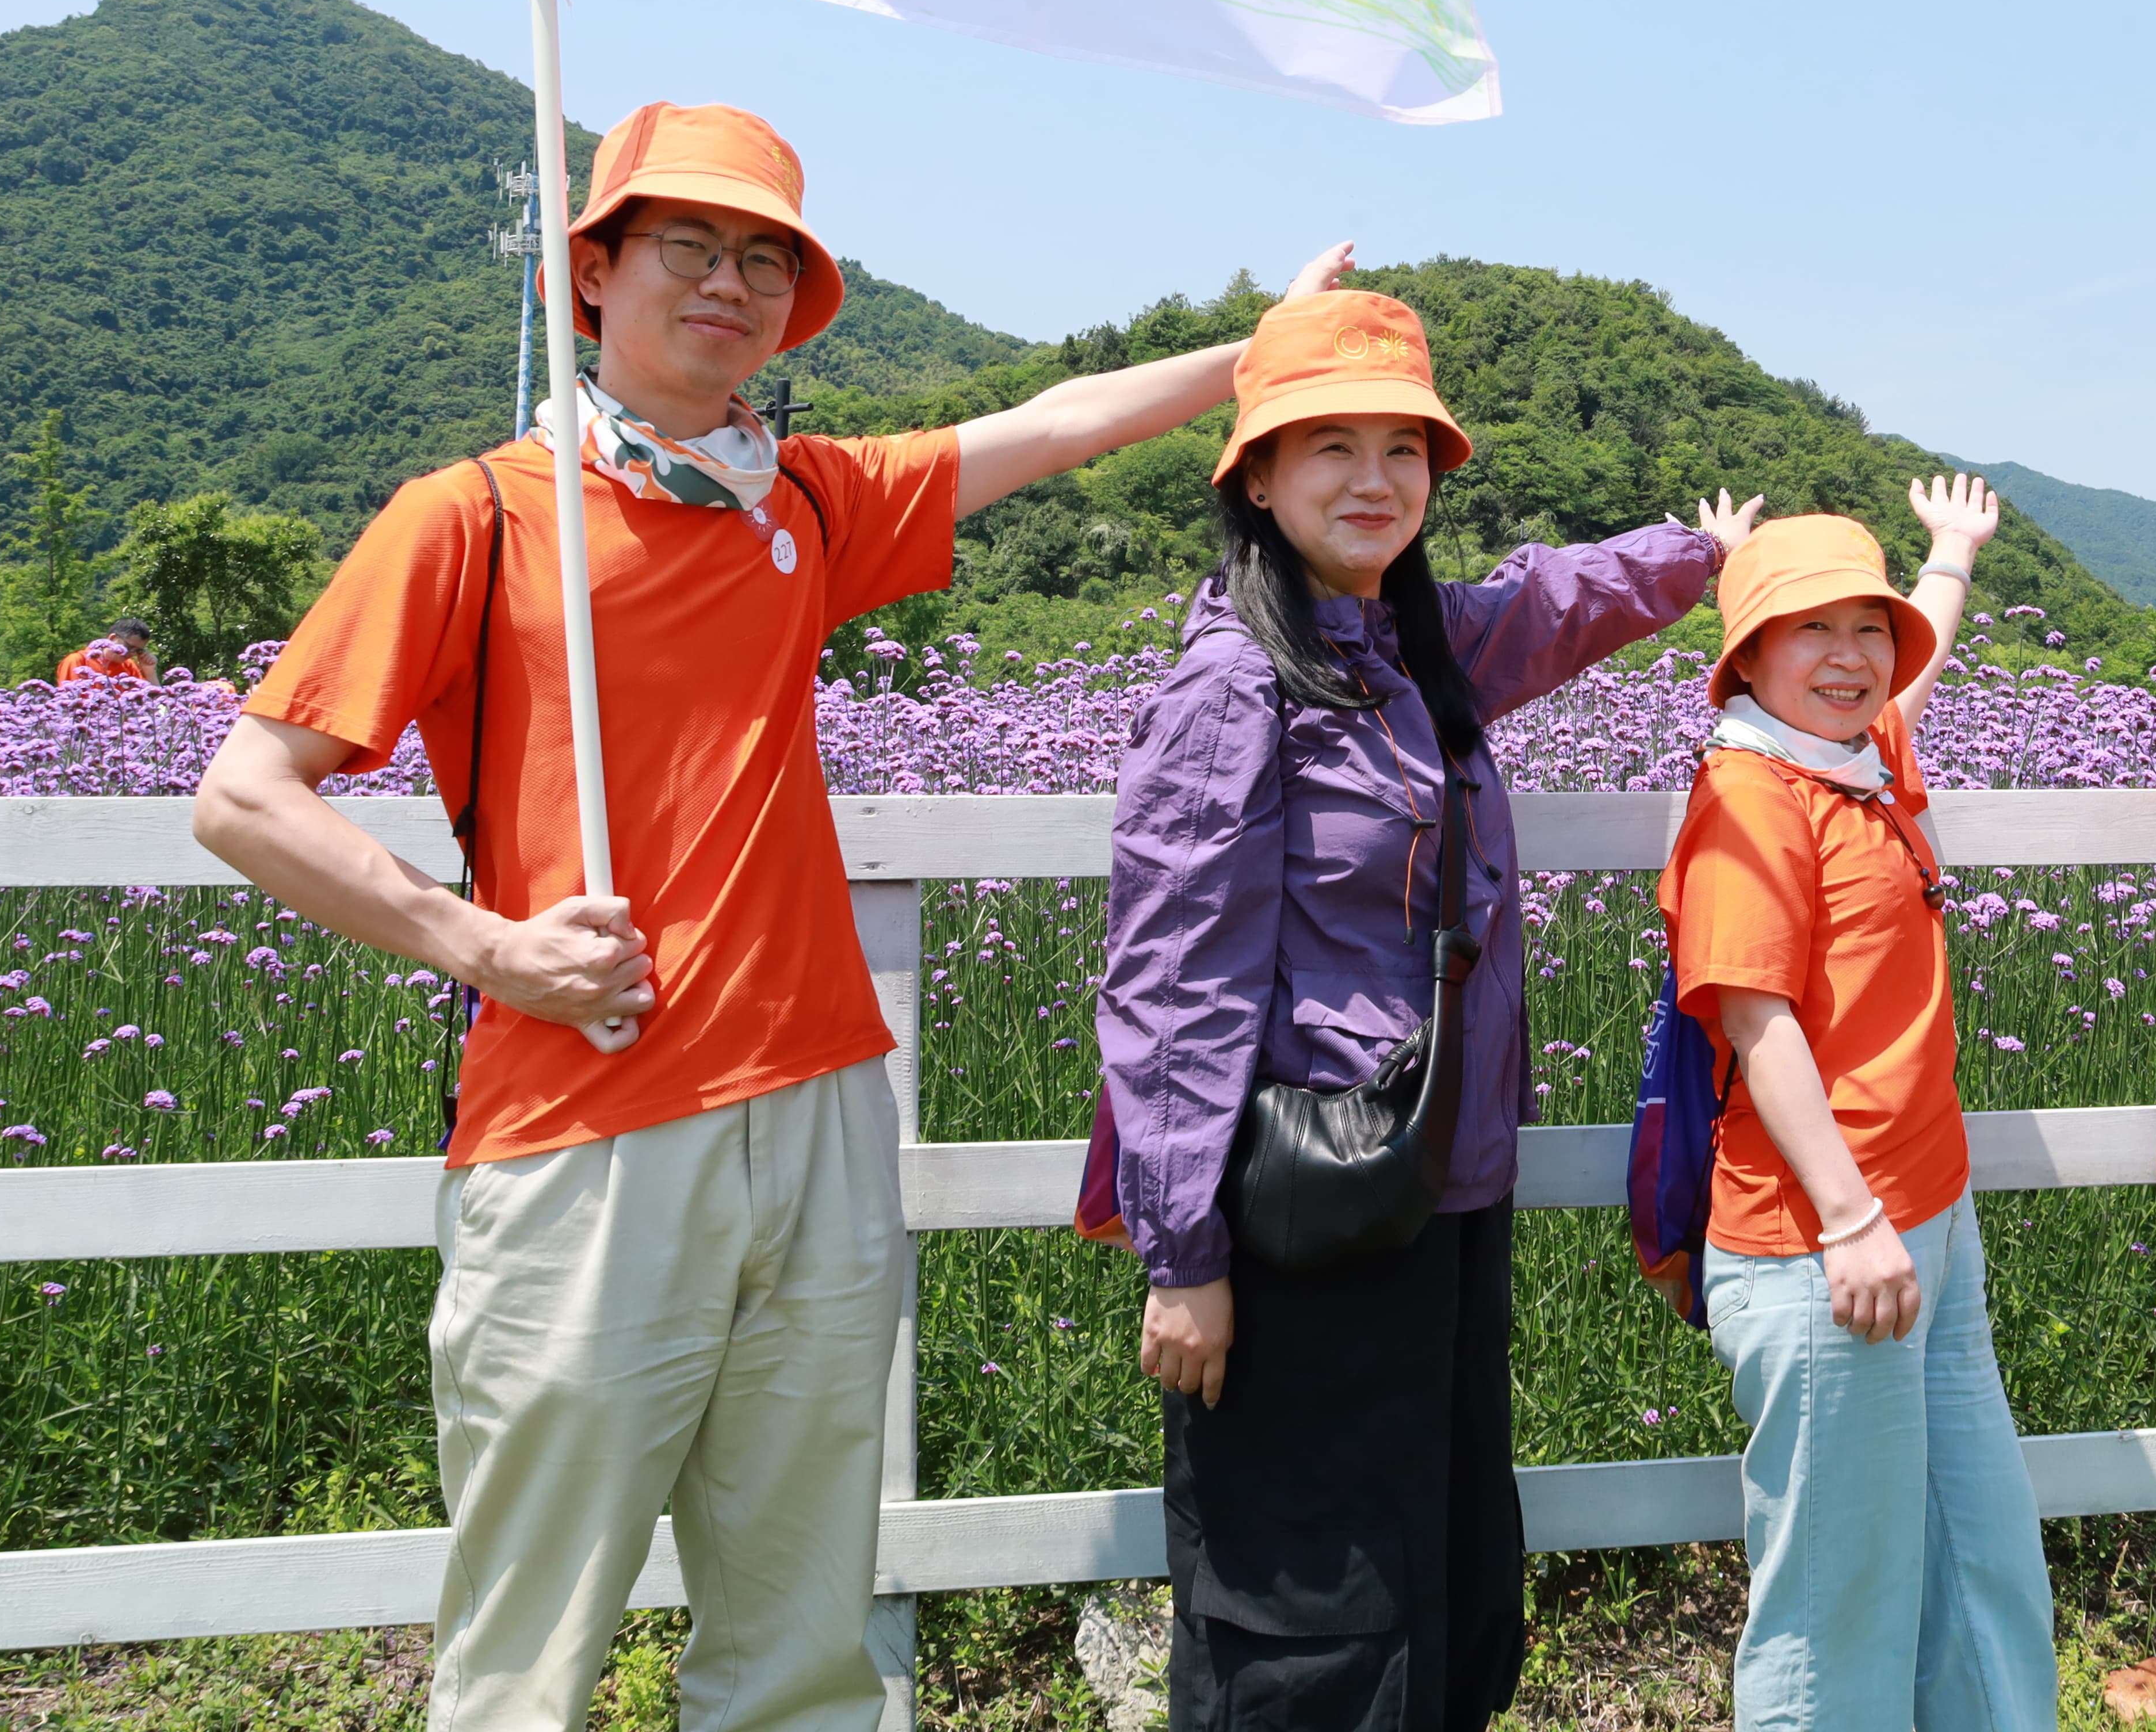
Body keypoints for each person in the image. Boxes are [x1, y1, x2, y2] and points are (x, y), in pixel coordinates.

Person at [192, 96, 1350, 1732]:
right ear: (592, 273)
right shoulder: (475, 515)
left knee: (802, 1634)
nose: (728, 283)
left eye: (763, 258)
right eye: (688, 246)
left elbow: (1049, 425)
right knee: (529, 1643)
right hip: (583, 1124)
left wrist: (1263, 352)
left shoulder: (799, 502)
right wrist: (490, 949)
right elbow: (246, 795)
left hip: (819, 1109)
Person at [1099, 288, 1742, 1732]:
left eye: (1404, 448)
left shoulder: (1414, 647)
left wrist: (1704, 554)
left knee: (1446, 1578)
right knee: (1313, 1611)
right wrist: (1183, 1253)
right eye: (1330, 445)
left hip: (1439, 1195)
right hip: (1301, 1212)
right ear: (1257, 477)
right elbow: (1173, 981)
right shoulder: (1234, 685)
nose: (1375, 478)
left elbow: (1551, 604)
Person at [1658, 480, 2059, 1732]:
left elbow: (1902, 682)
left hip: (1927, 1219)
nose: (1849, 656)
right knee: (1837, 1611)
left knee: (1982, 1562)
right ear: (1748, 655)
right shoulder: (1752, 794)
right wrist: (1849, 1218)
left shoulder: (1857, 760)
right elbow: (1755, 1020)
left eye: (1867, 628)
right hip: (1824, 1245)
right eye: (1810, 630)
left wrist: (1952, 556)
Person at [57, 618, 154, 685]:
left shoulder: (129, 666)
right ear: (112, 638)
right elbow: (72, 702)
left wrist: (149, 671)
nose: (131, 654)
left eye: (137, 651)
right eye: (129, 647)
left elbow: (151, 703)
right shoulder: (78, 661)